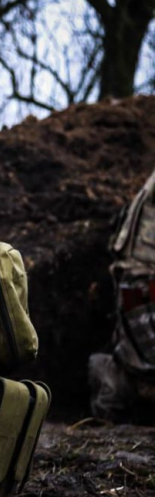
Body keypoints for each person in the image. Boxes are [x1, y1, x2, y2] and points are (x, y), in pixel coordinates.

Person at [89, 169, 155, 424]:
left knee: (139, 356)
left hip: (135, 283)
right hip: (143, 283)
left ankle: (114, 382)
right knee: (144, 360)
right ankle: (113, 383)